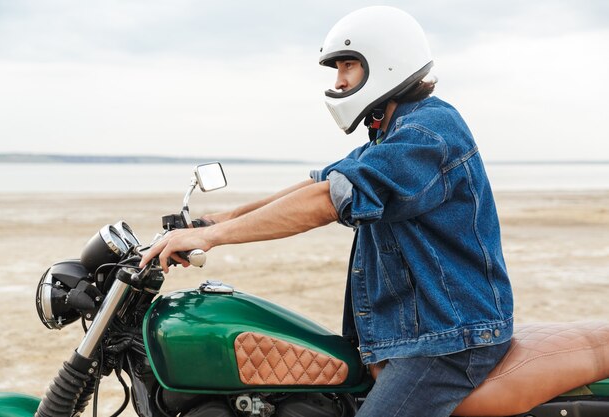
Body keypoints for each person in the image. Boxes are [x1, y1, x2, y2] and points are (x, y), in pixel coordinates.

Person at [140, 6, 513, 417]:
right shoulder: (391, 133)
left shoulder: (427, 134)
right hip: (419, 333)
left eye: (348, 66)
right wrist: (211, 223)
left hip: (451, 340)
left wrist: (210, 239)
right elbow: (318, 185)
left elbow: (326, 201)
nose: (338, 81)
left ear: (389, 62)